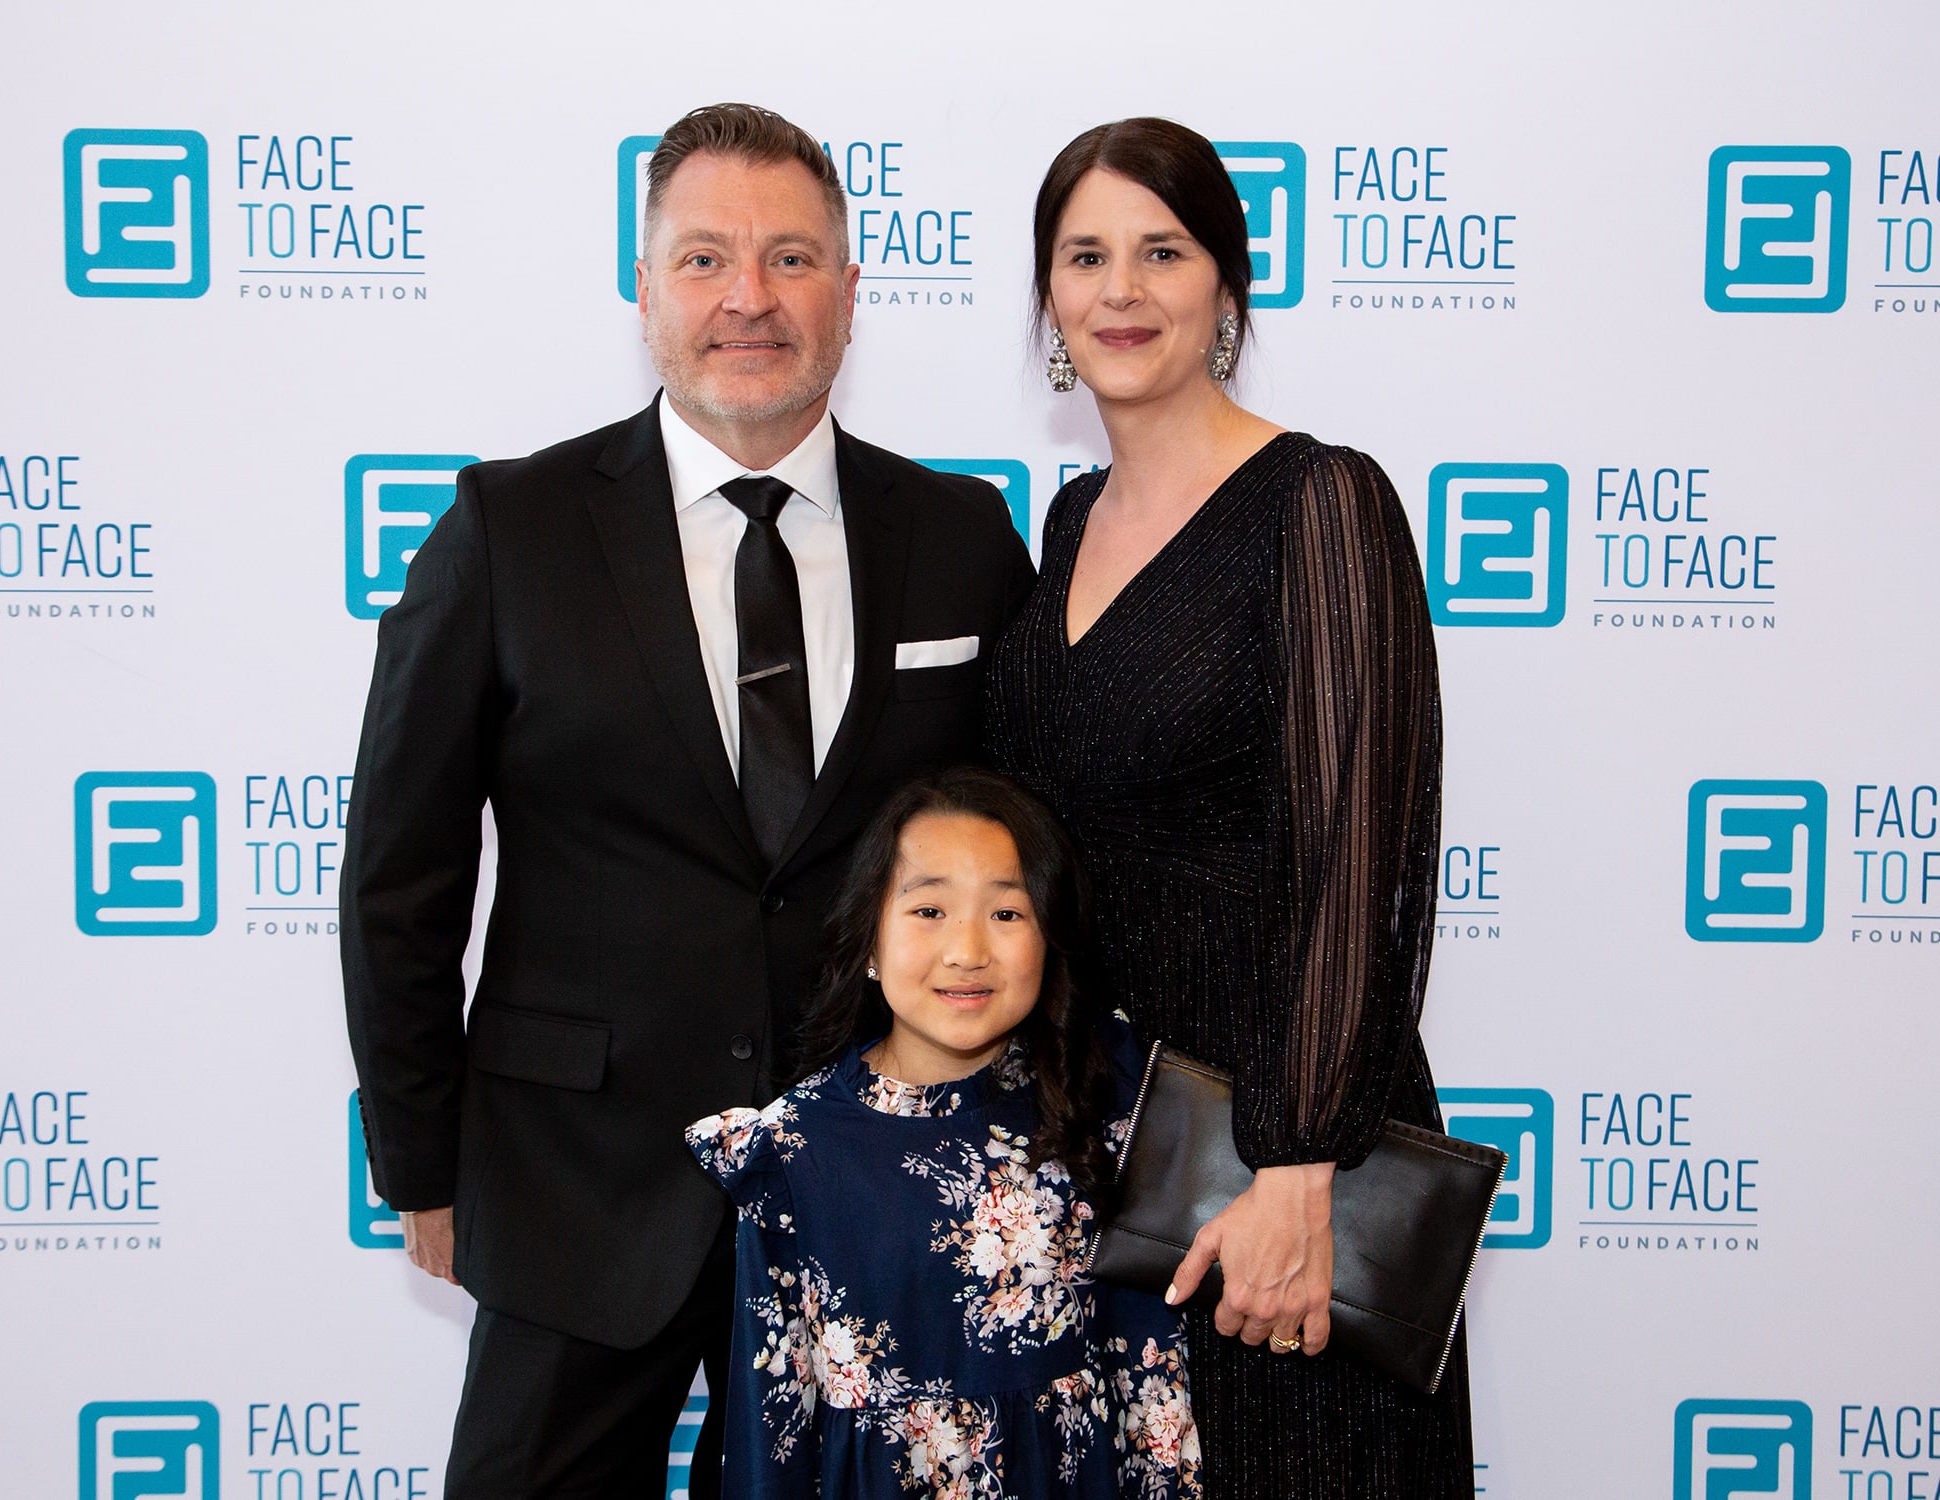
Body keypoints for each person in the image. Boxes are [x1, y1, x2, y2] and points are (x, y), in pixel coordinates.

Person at [340, 103, 1035, 1498]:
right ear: (644, 287)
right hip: (577, 1186)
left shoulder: (961, 536)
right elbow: (399, 881)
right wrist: (424, 1164)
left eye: (791, 259)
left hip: (880, 1190)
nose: (750, 299)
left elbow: (1025, 859)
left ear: (850, 291)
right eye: (706, 258)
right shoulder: (508, 529)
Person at [983, 119, 1468, 1497]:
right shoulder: (1069, 520)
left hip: (1267, 1143)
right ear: (1050, 302)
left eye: (1162, 251)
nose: (1121, 289)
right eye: (1085, 256)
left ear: (1227, 289)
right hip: (1101, 1133)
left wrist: (1299, 1163)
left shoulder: (1323, 502)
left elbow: (1362, 857)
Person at [686, 766, 1201, 1498]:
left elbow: (1151, 1374)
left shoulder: (1101, 1105)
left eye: (1007, 914)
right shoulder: (794, 1148)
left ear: (1050, 938)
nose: (967, 951)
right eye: (929, 912)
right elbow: (772, 1415)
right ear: (867, 941)